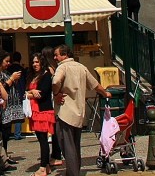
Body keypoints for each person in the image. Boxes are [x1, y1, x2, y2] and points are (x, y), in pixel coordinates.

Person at [52, 44, 110, 176]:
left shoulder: (63, 67)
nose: (55, 57)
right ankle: (74, 170)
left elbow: (55, 82)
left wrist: (56, 94)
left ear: (64, 55)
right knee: (75, 145)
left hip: (65, 112)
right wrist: (105, 93)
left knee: (67, 145)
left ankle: (72, 173)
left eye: (57, 55)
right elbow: (95, 85)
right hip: (79, 113)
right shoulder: (81, 67)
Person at [26, 53, 56, 176]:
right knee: (41, 139)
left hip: (43, 111)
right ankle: (47, 166)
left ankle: (43, 167)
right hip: (34, 111)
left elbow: (42, 94)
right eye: (33, 62)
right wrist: (31, 91)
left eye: (37, 62)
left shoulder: (46, 76)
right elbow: (28, 92)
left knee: (43, 140)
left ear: (42, 62)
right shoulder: (33, 76)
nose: (34, 64)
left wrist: (28, 94)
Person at [7, 51, 26, 141]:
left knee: (9, 112)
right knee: (18, 114)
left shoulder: (8, 68)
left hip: (9, 93)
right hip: (19, 92)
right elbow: (23, 83)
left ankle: (7, 133)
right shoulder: (21, 69)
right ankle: (17, 134)